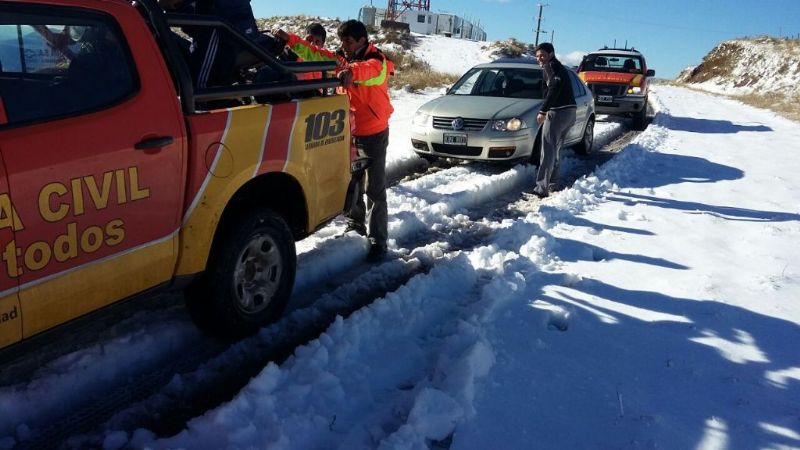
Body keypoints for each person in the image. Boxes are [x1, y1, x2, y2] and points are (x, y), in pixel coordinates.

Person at [275, 20, 394, 262]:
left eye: (348, 42)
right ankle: (355, 225)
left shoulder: (377, 60)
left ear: (362, 40)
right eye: (342, 42)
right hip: (347, 131)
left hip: (373, 132)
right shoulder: (341, 57)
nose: (344, 46)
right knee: (352, 182)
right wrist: (291, 41)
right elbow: (315, 53)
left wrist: (350, 72)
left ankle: (378, 240)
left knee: (374, 188)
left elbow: (368, 72)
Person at [158, 0, 260, 89]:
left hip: (218, 29)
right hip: (217, 26)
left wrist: (159, 5)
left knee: (202, 84)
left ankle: (207, 107)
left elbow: (168, 2)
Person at [533, 42, 576, 198]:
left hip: (557, 113)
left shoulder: (549, 66)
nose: (540, 59)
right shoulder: (559, 67)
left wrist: (543, 110)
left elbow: (554, 86)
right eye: (537, 56)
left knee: (548, 150)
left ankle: (541, 188)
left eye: (543, 55)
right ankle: (553, 182)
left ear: (551, 54)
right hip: (570, 112)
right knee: (556, 149)